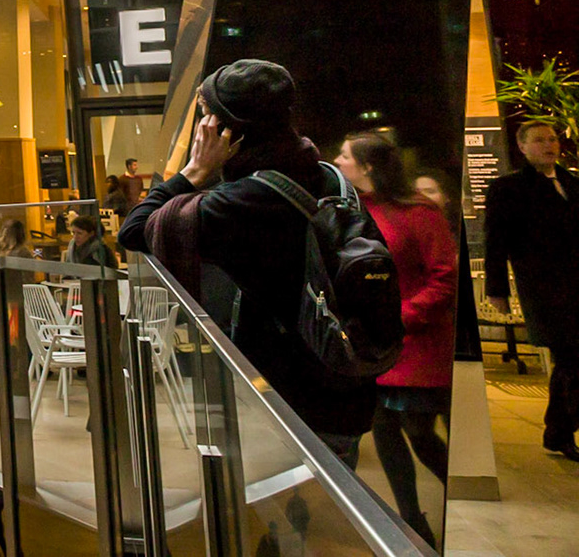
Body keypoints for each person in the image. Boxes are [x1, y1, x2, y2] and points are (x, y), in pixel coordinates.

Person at [118, 60, 379, 463]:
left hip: (290, 399)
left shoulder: (241, 200)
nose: (200, 127)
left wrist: (193, 170)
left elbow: (134, 231)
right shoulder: (325, 174)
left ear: (225, 130)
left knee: (292, 521)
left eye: (205, 116)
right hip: (346, 384)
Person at [335, 133, 455, 546]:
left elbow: (443, 278)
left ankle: (454, 502)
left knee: (420, 434)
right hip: (374, 345)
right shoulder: (350, 211)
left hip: (414, 344)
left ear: (367, 166)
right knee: (384, 430)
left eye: (345, 156)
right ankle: (411, 520)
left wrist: (402, 316)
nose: (338, 160)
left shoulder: (418, 213)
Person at [484, 120, 579, 460]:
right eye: (539, 140)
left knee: (570, 361)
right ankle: (560, 432)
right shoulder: (508, 189)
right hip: (544, 288)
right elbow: (496, 242)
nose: (549, 145)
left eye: (552, 139)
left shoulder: (571, 183)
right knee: (570, 356)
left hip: (576, 284)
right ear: (522, 146)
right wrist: (496, 289)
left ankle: (558, 431)